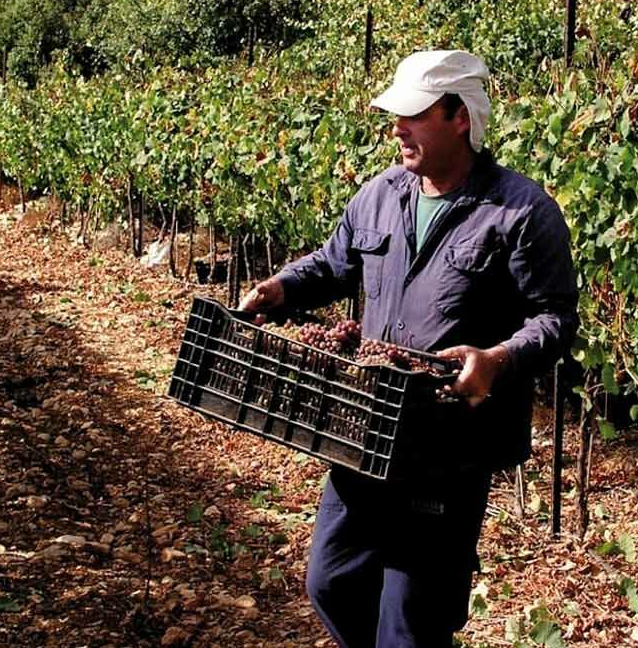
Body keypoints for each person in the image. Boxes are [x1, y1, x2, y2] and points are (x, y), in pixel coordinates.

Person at [239, 50, 577, 648]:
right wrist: (282, 287)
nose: (398, 128)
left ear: (460, 117)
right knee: (331, 581)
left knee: (411, 618)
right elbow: (333, 263)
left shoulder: (520, 212)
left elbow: (554, 319)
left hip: (449, 445)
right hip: (365, 430)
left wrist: (496, 360)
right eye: (396, 116)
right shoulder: (380, 195)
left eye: (414, 115)